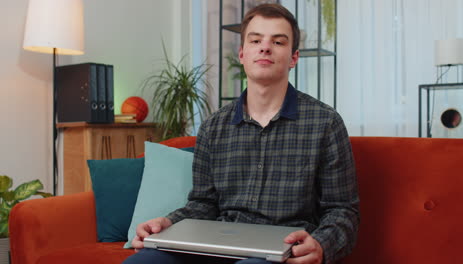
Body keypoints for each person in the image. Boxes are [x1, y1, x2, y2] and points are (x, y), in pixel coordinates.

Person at [124, 3, 359, 264]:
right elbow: (203, 204)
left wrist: (321, 246)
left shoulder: (325, 123)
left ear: (294, 58)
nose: (265, 47)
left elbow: (342, 211)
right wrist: (168, 223)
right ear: (242, 53)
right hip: (215, 246)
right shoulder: (213, 127)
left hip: (282, 252)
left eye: (278, 42)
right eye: (256, 40)